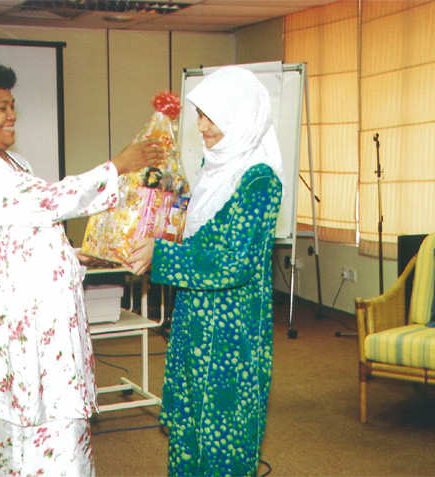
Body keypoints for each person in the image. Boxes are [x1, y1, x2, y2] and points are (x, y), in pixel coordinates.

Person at [0, 58, 164, 477]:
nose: (12, 116)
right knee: (28, 431)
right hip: (19, 323)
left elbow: (27, 232)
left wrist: (76, 254)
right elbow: (51, 201)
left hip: (48, 317)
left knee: (64, 425)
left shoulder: (14, 163)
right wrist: (118, 165)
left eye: (13, 106)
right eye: (1, 107)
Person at [126, 66, 285, 477]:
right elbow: (197, 240)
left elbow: (233, 262)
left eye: (212, 116)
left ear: (239, 115)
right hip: (193, 323)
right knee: (188, 436)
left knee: (223, 441)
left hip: (232, 337)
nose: (201, 127)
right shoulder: (213, 169)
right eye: (199, 115)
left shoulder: (260, 181)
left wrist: (161, 256)